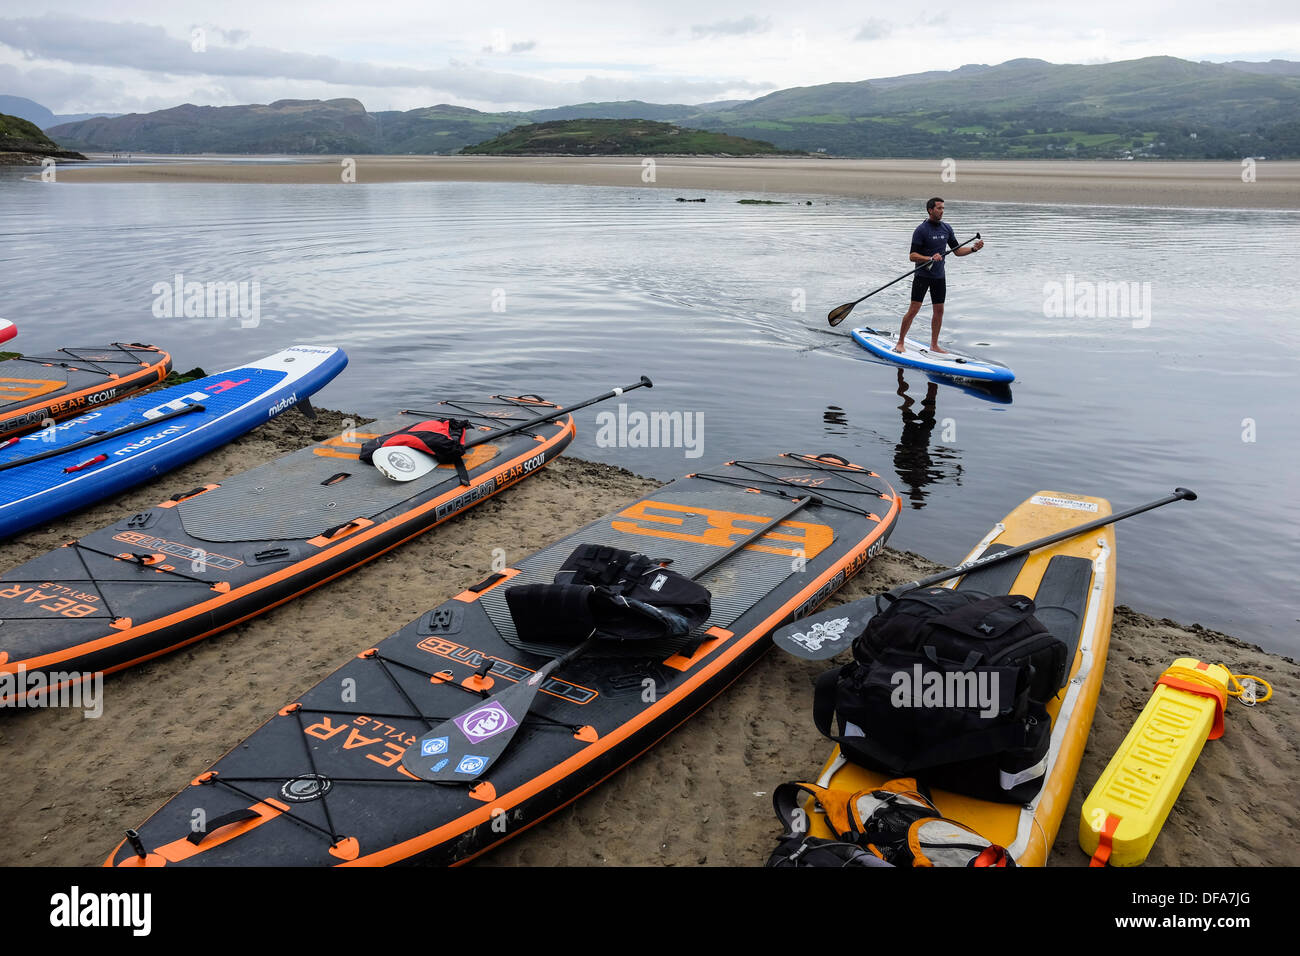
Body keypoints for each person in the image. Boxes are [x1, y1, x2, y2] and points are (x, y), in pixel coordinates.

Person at [895, 198, 983, 354]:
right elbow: (912, 256)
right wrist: (929, 258)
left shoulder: (946, 228)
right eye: (939, 208)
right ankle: (900, 342)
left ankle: (934, 345)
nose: (942, 211)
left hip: (939, 277)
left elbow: (957, 251)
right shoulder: (921, 230)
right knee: (914, 309)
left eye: (943, 208)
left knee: (939, 310)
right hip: (922, 276)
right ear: (930, 210)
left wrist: (973, 249)